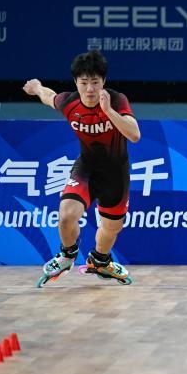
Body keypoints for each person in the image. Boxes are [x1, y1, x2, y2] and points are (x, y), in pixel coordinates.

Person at [24, 51, 140, 286]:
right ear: (76, 82)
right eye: (84, 82)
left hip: (115, 174)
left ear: (103, 82)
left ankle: (100, 261)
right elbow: (49, 96)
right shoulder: (69, 102)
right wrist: (36, 88)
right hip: (86, 168)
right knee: (66, 215)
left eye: (95, 82)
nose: (90, 89)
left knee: (112, 228)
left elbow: (134, 134)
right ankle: (67, 255)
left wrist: (109, 112)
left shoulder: (116, 100)